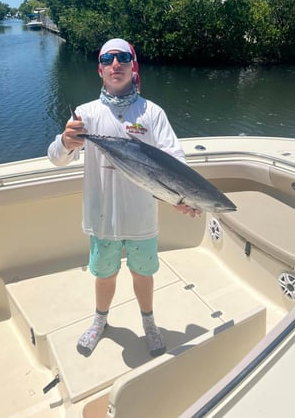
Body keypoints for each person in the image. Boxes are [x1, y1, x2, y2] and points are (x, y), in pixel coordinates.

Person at [48, 38, 200, 358]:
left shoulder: (151, 113)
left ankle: (149, 322)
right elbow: (56, 158)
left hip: (142, 218)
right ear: (100, 70)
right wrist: (65, 141)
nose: (115, 64)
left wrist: (183, 197)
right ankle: (100, 321)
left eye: (122, 58)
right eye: (108, 59)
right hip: (102, 219)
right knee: (104, 276)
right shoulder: (86, 113)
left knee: (143, 275)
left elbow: (175, 161)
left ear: (134, 66)